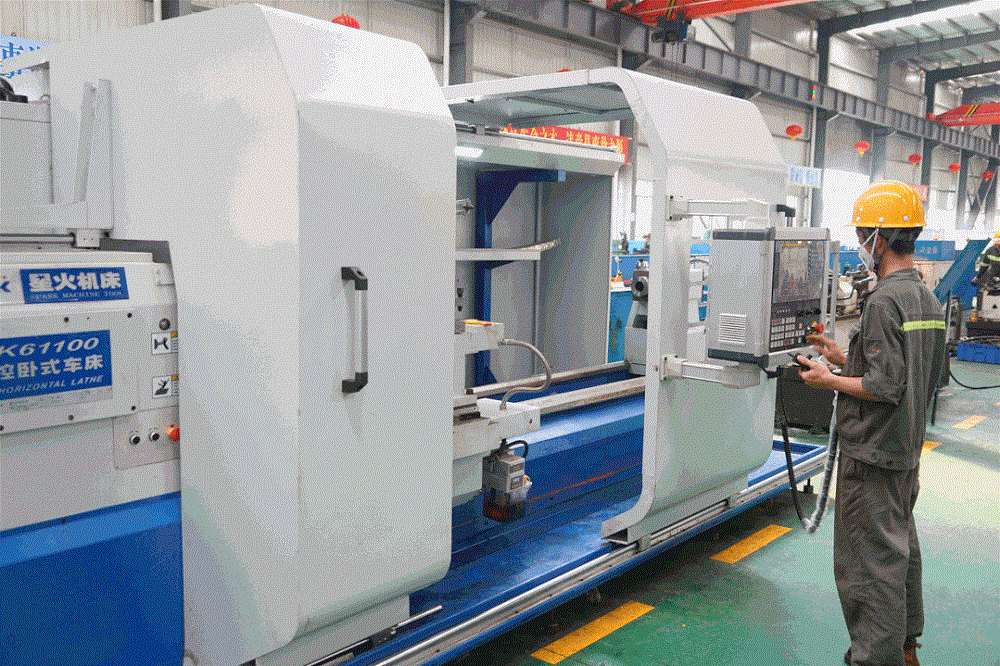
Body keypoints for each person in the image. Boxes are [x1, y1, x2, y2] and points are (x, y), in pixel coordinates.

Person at [796, 181, 945, 666]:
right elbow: (911, 372)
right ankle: (906, 648)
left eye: (863, 234)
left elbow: (885, 385)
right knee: (900, 552)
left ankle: (875, 658)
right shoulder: (925, 298)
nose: (861, 243)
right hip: (904, 452)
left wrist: (827, 380)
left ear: (880, 239)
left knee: (869, 570)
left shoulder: (883, 301)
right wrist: (846, 359)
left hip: (872, 455)